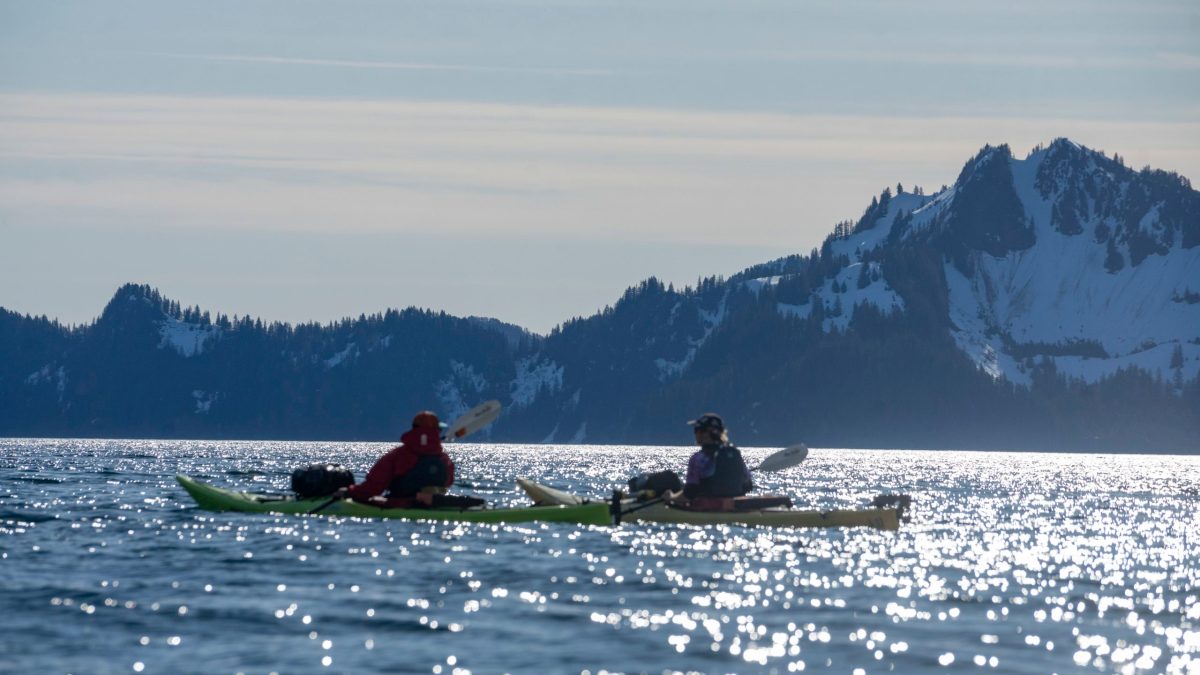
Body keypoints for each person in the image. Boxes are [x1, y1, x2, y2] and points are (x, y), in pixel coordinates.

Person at [332, 411, 455, 508]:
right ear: (435, 431)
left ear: (414, 428)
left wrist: (349, 492)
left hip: (399, 505)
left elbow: (373, 487)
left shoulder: (398, 455)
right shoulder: (444, 459)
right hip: (434, 505)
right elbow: (448, 482)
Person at [671, 412, 752, 510]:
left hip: (706, 508)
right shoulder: (734, 453)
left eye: (697, 430)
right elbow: (748, 486)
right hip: (736, 506)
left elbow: (690, 493)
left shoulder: (698, 458)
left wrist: (671, 497)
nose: (695, 433)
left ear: (704, 433)